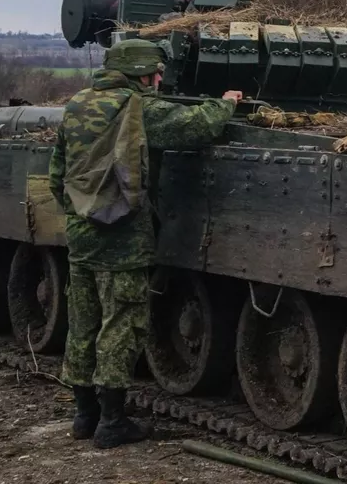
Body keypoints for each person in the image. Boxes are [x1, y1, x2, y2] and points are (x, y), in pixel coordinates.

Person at [47, 39, 243, 448]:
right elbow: (195, 126)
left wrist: (85, 210)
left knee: (83, 322)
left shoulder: (77, 104)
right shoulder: (138, 108)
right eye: (154, 72)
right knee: (122, 324)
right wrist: (225, 103)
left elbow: (56, 175)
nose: (158, 79)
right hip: (123, 236)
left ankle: (84, 415)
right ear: (138, 72)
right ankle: (113, 423)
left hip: (82, 234)